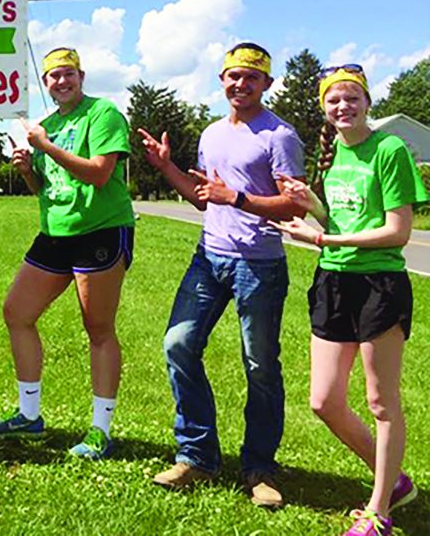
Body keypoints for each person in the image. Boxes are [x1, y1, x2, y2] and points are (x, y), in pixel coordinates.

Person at [138, 43, 306, 508]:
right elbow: (202, 197)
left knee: (261, 366)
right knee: (179, 343)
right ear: (222, 80)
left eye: (251, 77)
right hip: (209, 258)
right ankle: (197, 456)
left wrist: (239, 198)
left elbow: (295, 204)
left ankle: (259, 468)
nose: (240, 84)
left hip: (260, 264)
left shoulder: (280, 136)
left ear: (266, 84)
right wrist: (166, 166)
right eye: (233, 76)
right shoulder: (212, 134)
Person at [273, 65, 425, 535]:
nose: (343, 107)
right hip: (333, 284)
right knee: (324, 400)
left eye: (352, 98)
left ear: (367, 102)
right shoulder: (333, 151)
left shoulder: (390, 149)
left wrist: (321, 241)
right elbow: (340, 219)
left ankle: (378, 509)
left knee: (381, 401)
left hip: (378, 285)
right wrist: (313, 206)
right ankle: (395, 481)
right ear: (324, 107)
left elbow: (397, 232)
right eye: (334, 100)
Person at [0, 47, 134, 460]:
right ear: (45, 83)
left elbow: (101, 173)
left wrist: (45, 148)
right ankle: (29, 417)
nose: (61, 82)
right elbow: (44, 190)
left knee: (98, 328)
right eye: (53, 77)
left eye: (68, 74)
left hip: (100, 229)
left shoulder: (103, 114)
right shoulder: (46, 124)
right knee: (17, 312)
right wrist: (29, 169)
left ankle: (100, 430)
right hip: (55, 232)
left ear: (81, 76)